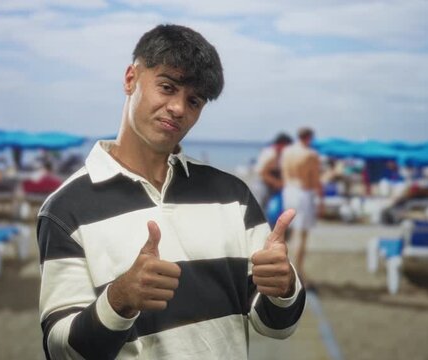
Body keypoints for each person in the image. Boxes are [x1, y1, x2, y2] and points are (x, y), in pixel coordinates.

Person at [37, 24, 305, 359]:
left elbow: (275, 326)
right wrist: (118, 301)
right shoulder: (65, 209)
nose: (179, 108)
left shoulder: (233, 195)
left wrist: (283, 288)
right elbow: (60, 348)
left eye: (194, 100)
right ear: (131, 78)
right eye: (167, 87)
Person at [280, 127, 323, 283]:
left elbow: (284, 173)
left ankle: (288, 267)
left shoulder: (287, 152)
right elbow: (315, 180)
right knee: (301, 234)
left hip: (289, 191)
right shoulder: (310, 155)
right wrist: (321, 201)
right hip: (303, 193)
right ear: (309, 138)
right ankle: (297, 271)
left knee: (290, 232)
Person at [250, 133, 293, 223]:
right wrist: (276, 183)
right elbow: (262, 172)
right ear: (282, 144)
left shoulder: (277, 152)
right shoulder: (270, 153)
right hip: (262, 184)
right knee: (260, 208)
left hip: (268, 185)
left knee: (267, 209)